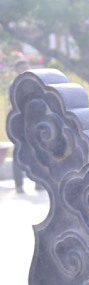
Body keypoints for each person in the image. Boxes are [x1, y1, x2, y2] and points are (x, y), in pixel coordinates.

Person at [10, 58, 30, 193]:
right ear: (16, 70)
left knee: (36, 153)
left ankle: (39, 183)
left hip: (33, 122)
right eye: (21, 68)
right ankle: (19, 185)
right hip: (19, 123)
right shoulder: (14, 85)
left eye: (26, 67)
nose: (24, 70)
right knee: (18, 153)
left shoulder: (35, 83)